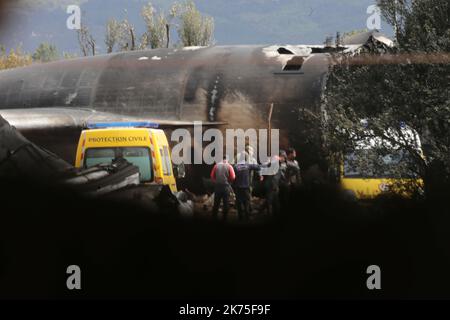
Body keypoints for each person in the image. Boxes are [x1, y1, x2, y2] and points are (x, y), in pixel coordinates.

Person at [233, 153, 261, 222]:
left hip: (238, 187)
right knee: (247, 202)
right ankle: (247, 217)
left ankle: (240, 217)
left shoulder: (235, 166)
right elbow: (258, 167)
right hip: (246, 187)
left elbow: (233, 177)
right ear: (246, 158)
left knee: (239, 202)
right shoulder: (248, 165)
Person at [210, 156, 236, 221]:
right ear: (227, 159)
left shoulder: (216, 166)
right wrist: (229, 181)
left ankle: (214, 217)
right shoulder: (229, 166)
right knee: (226, 203)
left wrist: (215, 181)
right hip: (226, 187)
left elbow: (212, 176)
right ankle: (224, 218)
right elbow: (233, 177)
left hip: (218, 186)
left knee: (216, 203)